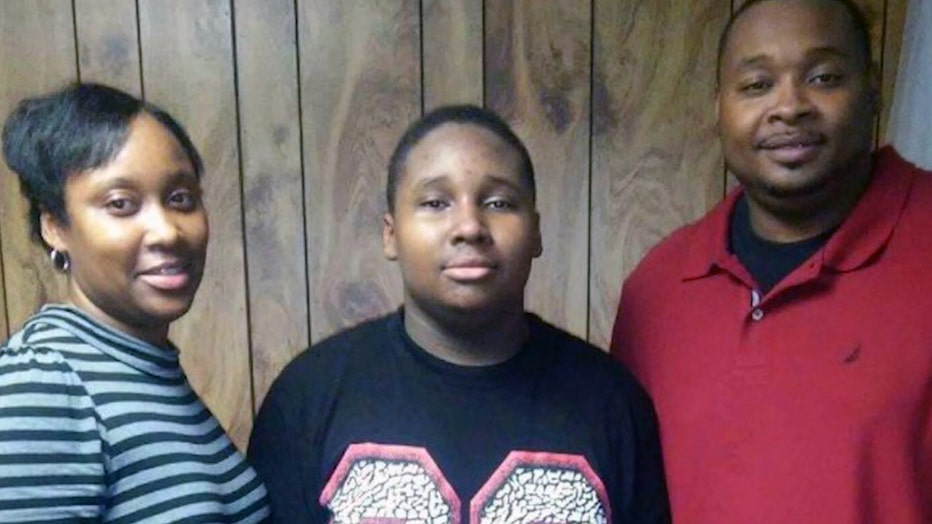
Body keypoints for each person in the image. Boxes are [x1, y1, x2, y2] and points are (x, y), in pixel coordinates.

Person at [249, 105, 670, 523]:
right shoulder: (308, 396)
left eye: (499, 202)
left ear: (536, 231)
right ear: (391, 234)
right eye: (435, 202)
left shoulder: (613, 404)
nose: (469, 226)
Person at [610, 0, 932, 522]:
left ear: (872, 90)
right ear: (719, 107)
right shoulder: (659, 286)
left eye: (823, 77)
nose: (789, 106)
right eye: (757, 85)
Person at [0, 83, 270, 523]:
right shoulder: (45, 384)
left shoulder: (146, 369)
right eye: (121, 204)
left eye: (180, 199)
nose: (167, 231)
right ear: (55, 227)